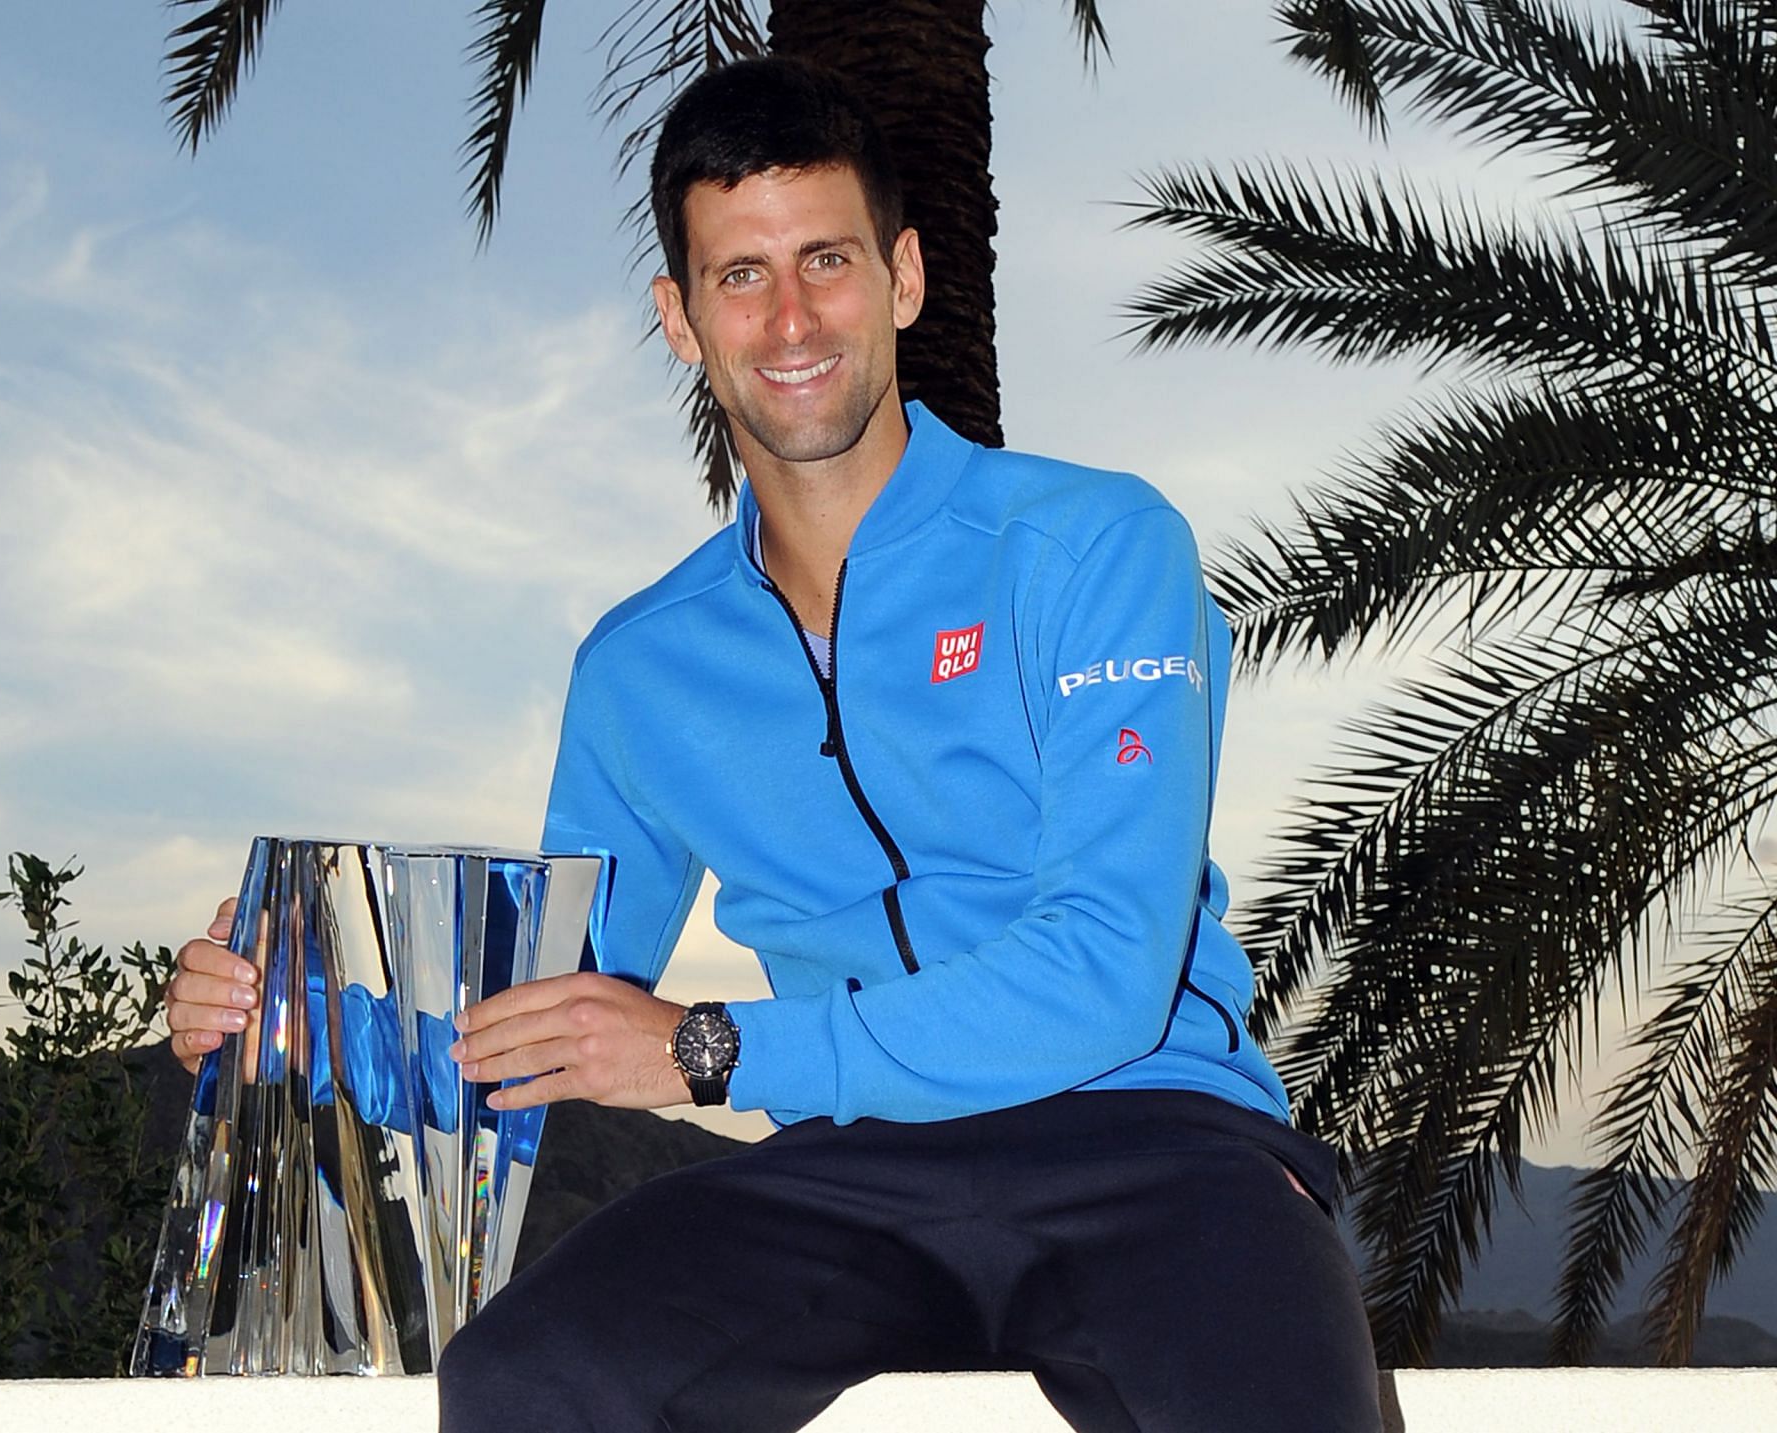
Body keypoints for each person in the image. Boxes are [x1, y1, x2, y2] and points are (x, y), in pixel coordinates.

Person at [165, 57, 1383, 1432]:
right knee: (527, 1382)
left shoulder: (1092, 545)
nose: (791, 316)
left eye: (826, 259)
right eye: (740, 276)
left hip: (1154, 1141)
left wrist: (706, 1051)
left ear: (904, 276)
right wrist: (299, 1025)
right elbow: (547, 1022)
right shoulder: (641, 667)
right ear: (679, 320)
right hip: (852, 1175)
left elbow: (1105, 968)